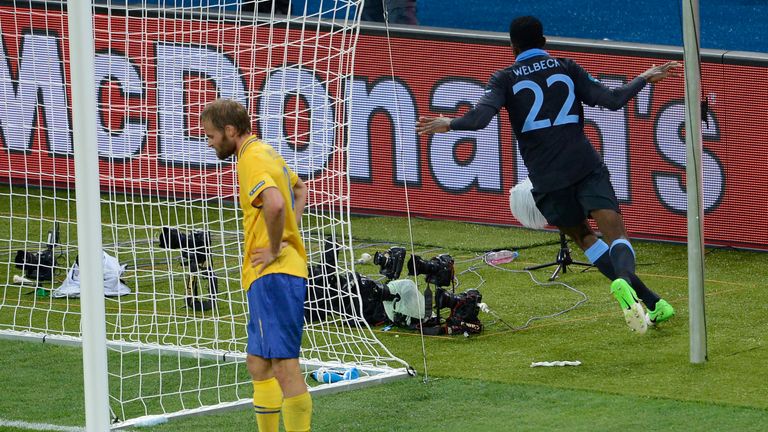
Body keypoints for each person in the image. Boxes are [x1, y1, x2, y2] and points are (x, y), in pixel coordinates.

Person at [416, 16, 679, 334]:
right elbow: (611, 100)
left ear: (511, 46)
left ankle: (652, 302)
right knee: (616, 235)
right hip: (584, 165)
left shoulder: (504, 78)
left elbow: (480, 119)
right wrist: (645, 77)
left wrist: (448, 123)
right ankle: (626, 282)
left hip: (547, 178)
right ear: (544, 41)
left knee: (584, 237)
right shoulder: (566, 67)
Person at [201, 99, 311, 431]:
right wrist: (291, 233)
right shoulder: (265, 151)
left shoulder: (251, 159)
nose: (209, 142)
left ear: (229, 131)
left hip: (274, 275)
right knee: (258, 364)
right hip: (270, 276)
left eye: (210, 135)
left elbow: (276, 204)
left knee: (284, 367)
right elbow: (299, 188)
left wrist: (276, 247)